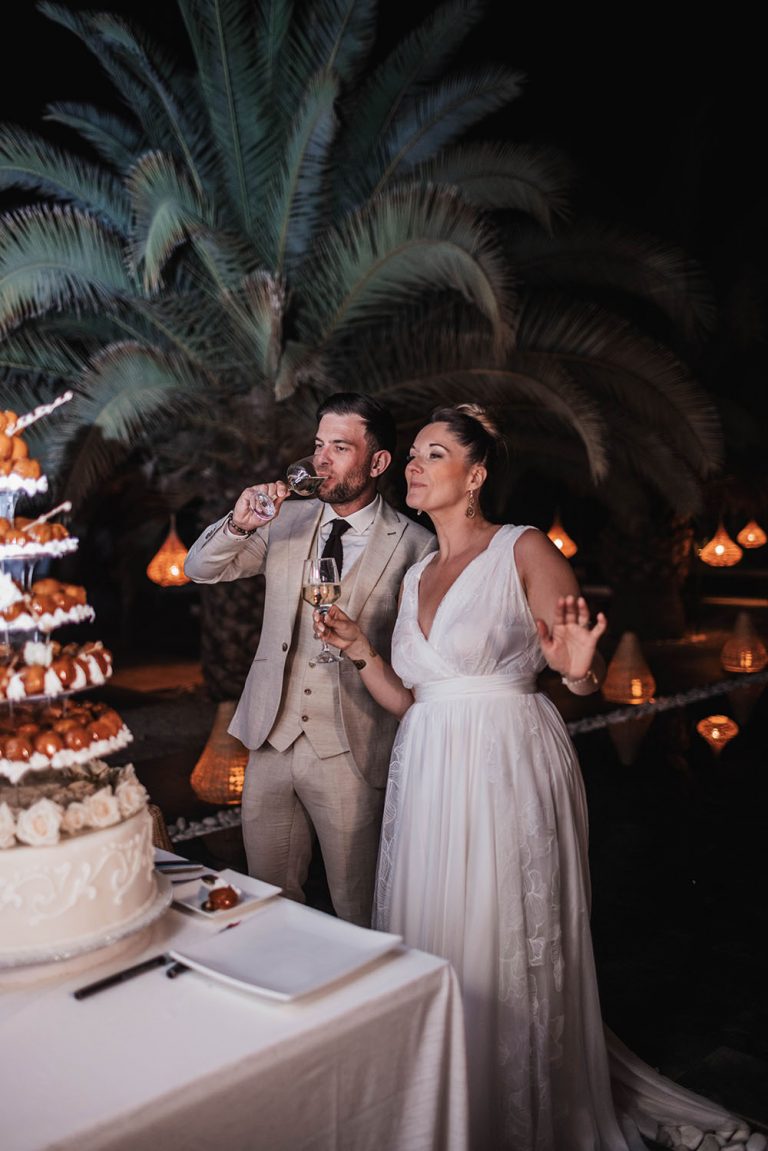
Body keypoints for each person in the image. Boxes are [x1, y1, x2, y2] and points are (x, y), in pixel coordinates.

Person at [316, 403, 756, 1150]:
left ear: (476, 473)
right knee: (435, 930)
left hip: (504, 761)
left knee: (503, 931)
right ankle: (440, 1104)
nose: (413, 466)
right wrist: (362, 649)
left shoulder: (523, 549)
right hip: (425, 768)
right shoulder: (420, 569)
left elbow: (570, 662)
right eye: (412, 455)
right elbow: (408, 699)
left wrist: (581, 675)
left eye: (432, 454)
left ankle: (516, 1107)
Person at [184, 393, 436, 926]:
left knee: (359, 907)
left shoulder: (417, 545)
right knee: (268, 901)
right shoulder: (284, 522)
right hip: (271, 737)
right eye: (318, 445)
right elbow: (200, 570)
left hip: (352, 745)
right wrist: (238, 523)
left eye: (339, 448)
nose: (320, 459)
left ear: (378, 462)